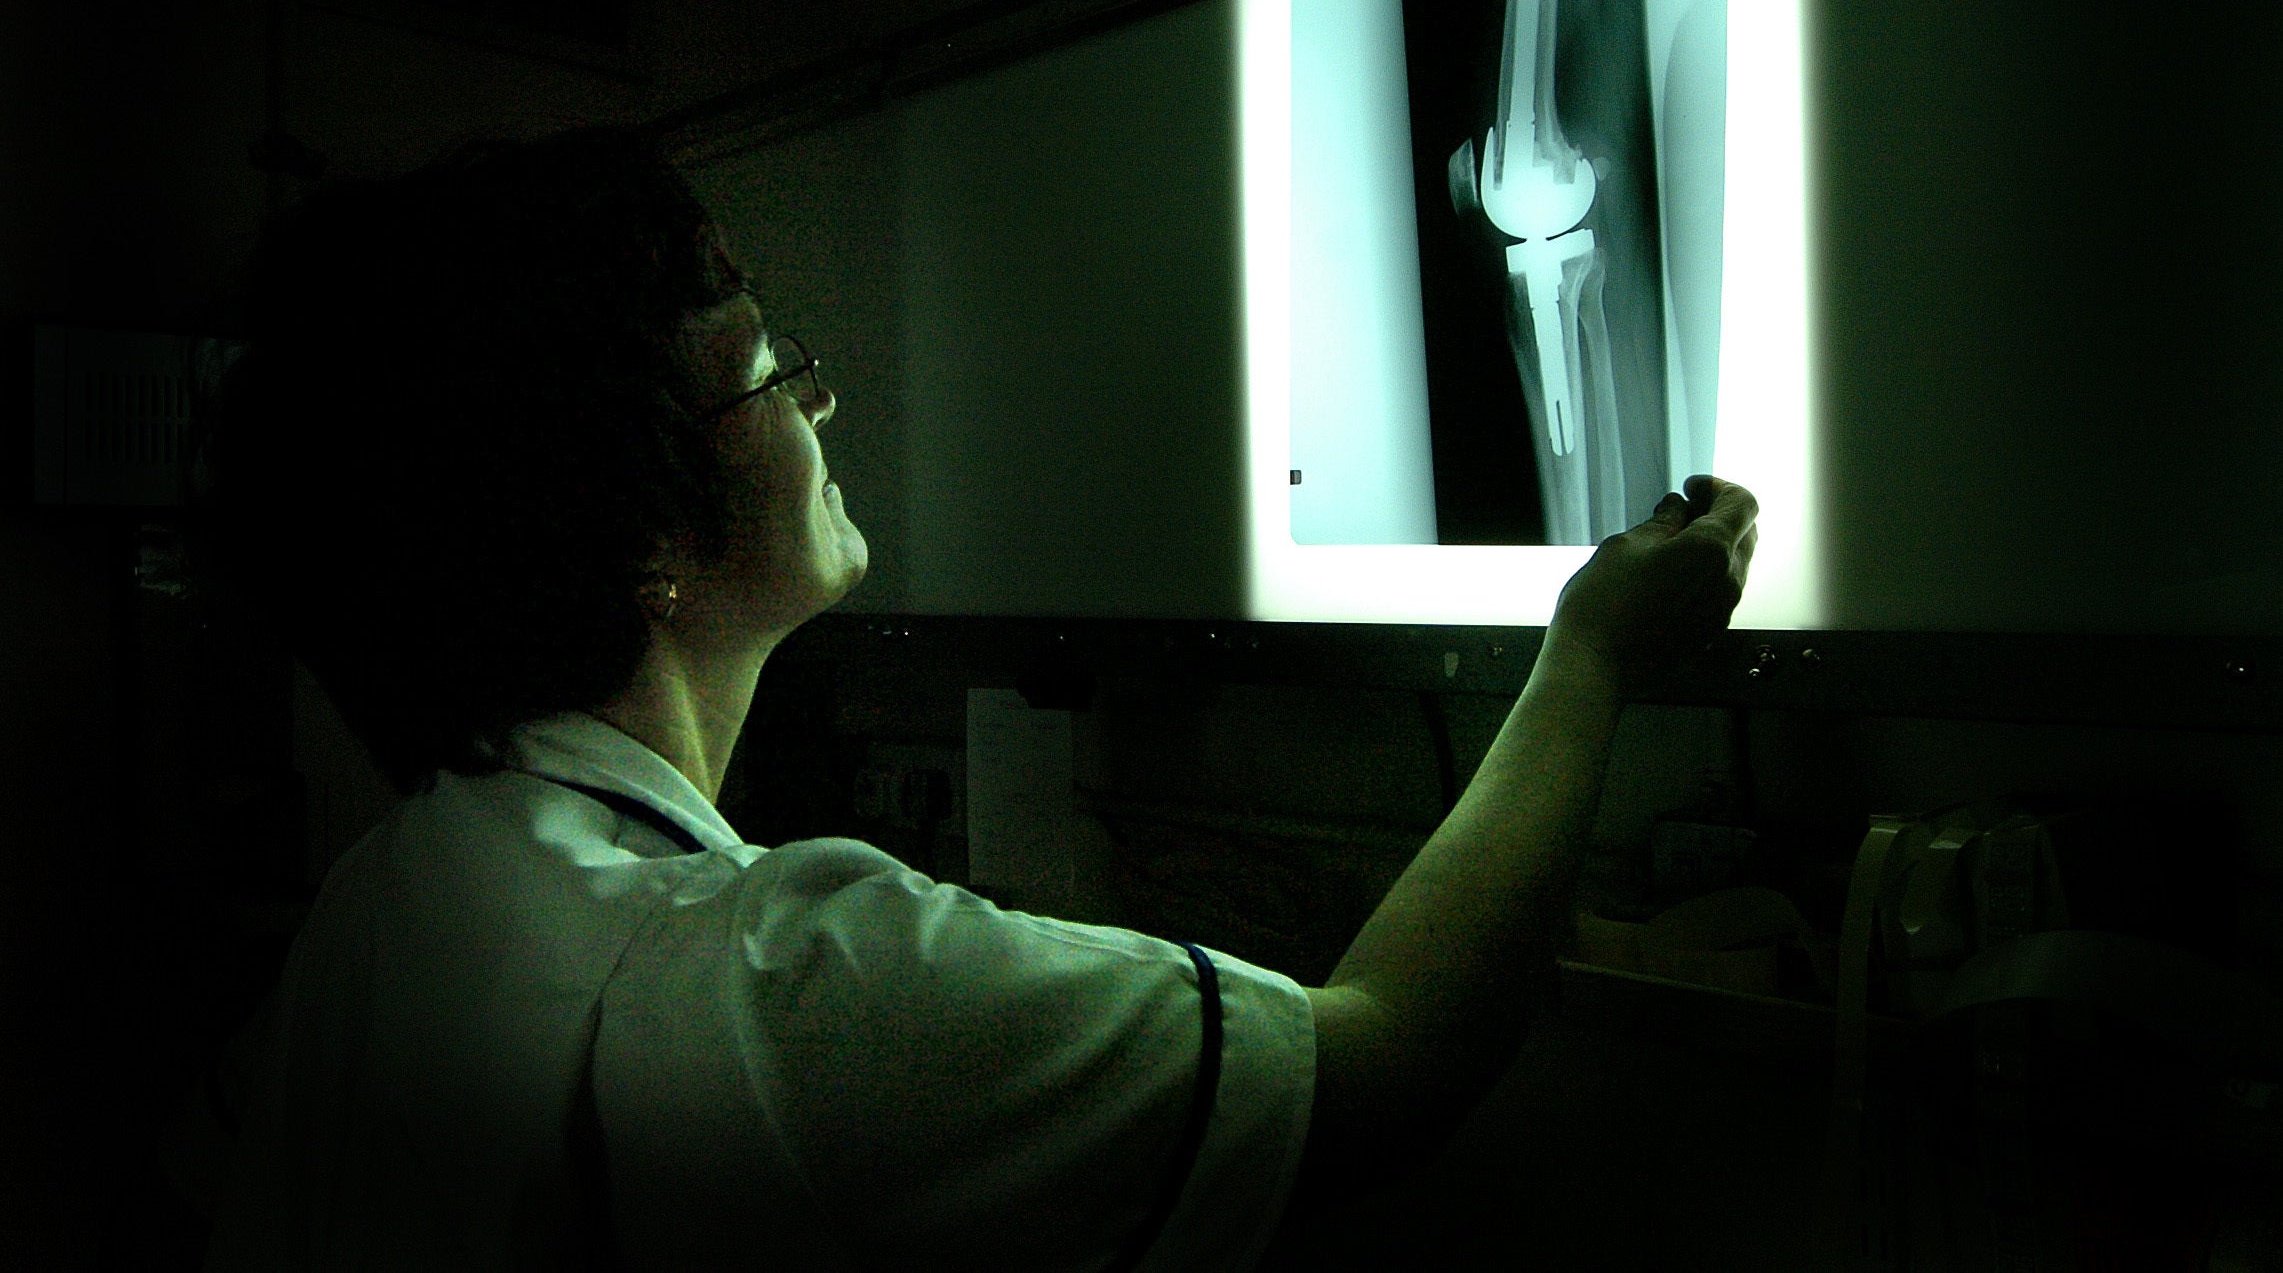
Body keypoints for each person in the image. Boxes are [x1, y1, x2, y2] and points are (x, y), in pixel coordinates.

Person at [196, 126, 1756, 1271]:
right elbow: (1385, 1067)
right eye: (764, 366)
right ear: (641, 524)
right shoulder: (784, 983)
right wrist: (1594, 652)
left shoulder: (381, 905)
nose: (819, 400)